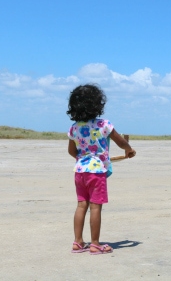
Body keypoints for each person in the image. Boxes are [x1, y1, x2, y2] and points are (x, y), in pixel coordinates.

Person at [67, 84, 135, 255]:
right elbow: (120, 141)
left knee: (82, 205)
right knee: (95, 207)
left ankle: (78, 242)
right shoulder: (104, 124)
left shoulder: (74, 127)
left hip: (80, 171)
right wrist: (129, 150)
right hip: (96, 173)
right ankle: (95, 244)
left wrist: (83, 157)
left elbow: (71, 151)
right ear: (98, 104)